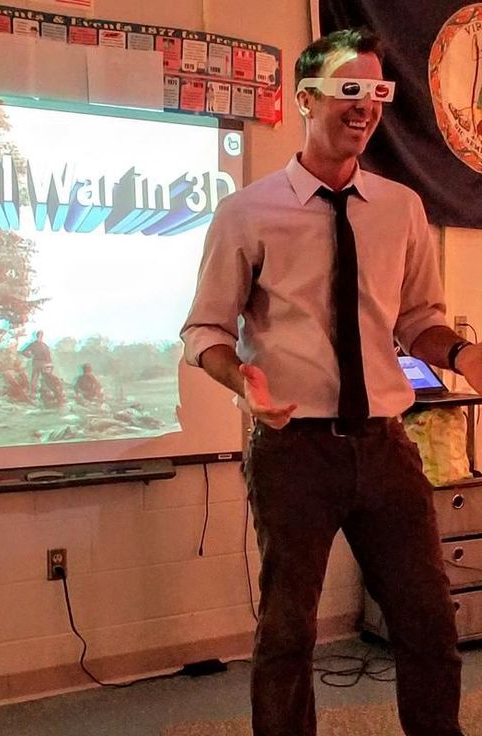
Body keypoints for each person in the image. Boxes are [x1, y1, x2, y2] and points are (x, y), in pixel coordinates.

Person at [181, 28, 482, 736]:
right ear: (305, 98)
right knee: (287, 634)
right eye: (350, 89)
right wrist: (239, 379)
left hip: (385, 445)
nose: (366, 106)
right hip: (293, 450)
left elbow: (417, 320)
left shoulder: (402, 209)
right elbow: (205, 332)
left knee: (431, 625)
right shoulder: (247, 213)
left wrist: (463, 355)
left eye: (379, 91)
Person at [19, 330, 52, 402]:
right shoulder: (33, 344)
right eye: (39, 335)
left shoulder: (44, 345)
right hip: (36, 363)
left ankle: (44, 395)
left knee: (45, 380)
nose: (40, 336)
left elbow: (48, 356)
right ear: (37, 336)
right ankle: (32, 396)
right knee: (34, 380)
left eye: (41, 335)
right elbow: (23, 352)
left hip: (44, 364)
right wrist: (29, 356)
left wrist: (49, 364)